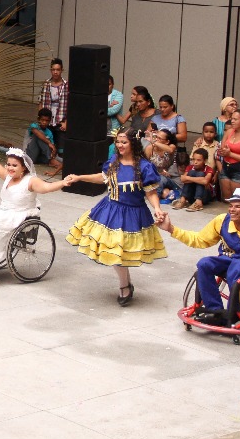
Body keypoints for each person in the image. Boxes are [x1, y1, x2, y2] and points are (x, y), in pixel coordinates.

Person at [157, 187, 240, 326]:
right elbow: (199, 239)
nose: (232, 209)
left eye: (238, 206)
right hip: (228, 259)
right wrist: (171, 229)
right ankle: (215, 311)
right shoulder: (222, 221)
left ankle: (232, 315)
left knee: (236, 269)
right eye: (231, 206)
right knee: (204, 263)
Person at [66, 128, 167, 307]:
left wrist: (157, 208)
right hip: (111, 210)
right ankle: (125, 285)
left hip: (133, 214)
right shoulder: (113, 161)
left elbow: (150, 192)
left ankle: (125, 285)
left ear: (133, 143)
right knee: (114, 251)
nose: (119, 145)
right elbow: (103, 178)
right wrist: (80, 177)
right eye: (118, 142)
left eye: (124, 142)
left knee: (121, 253)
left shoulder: (144, 166)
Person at [0, 149, 74, 271]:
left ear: (23, 167)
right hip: (3, 210)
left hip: (19, 213)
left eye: (14, 165)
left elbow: (46, 187)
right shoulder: (8, 176)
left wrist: (63, 183)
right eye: (8, 164)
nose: (10, 168)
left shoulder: (30, 181)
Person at [37, 58, 68, 153]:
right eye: (53, 70)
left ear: (61, 70)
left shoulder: (66, 85)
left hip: (60, 121)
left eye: (58, 70)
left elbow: (70, 105)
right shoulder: (46, 84)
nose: (55, 72)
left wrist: (66, 122)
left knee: (61, 151)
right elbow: (40, 102)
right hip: (47, 121)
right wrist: (40, 119)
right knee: (47, 148)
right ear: (50, 70)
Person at [172, 147, 215, 212]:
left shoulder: (209, 169)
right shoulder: (190, 167)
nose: (195, 162)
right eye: (193, 159)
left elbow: (205, 181)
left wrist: (188, 178)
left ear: (205, 161)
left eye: (199, 160)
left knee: (200, 173)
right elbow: (183, 179)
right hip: (192, 195)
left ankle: (198, 202)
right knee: (192, 172)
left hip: (204, 196)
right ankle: (183, 200)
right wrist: (199, 179)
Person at [24, 108, 62, 177]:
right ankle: (51, 160)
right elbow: (37, 133)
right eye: (42, 120)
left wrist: (53, 150)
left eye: (47, 121)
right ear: (38, 119)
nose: (44, 122)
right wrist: (49, 143)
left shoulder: (49, 132)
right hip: (30, 155)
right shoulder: (33, 126)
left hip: (41, 157)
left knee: (60, 160)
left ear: (50, 121)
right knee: (40, 134)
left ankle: (51, 160)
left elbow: (51, 147)